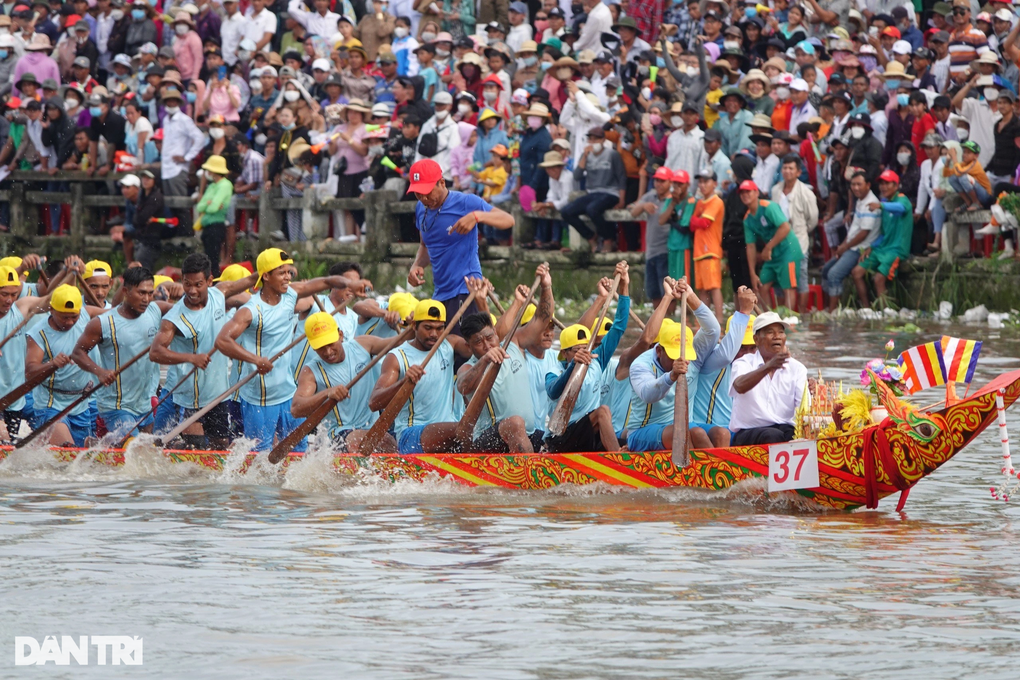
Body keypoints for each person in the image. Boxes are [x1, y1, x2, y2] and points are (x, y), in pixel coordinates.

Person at [215, 248, 368, 452]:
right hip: (260, 396)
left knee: (299, 451)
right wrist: (255, 360)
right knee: (260, 456)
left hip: (288, 392)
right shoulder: (252, 310)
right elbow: (223, 340)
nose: (287, 277)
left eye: (289, 272)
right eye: (281, 273)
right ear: (266, 276)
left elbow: (326, 282)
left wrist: (351, 284)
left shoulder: (290, 295)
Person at [149, 253, 257, 449]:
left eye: (198, 284)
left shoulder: (221, 292)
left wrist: (275, 269)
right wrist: (191, 358)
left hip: (218, 395)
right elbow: (155, 352)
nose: (191, 290)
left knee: (220, 448)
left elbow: (251, 279)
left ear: (209, 281)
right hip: (190, 398)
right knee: (196, 450)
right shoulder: (174, 318)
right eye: (187, 284)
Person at [405, 158, 514, 331]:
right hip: (440, 292)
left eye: (427, 192)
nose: (424, 198)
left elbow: (508, 220)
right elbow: (425, 245)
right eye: (418, 193)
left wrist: (477, 216)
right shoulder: (421, 208)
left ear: (441, 183)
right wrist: (417, 265)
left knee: (464, 348)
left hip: (467, 289)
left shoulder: (465, 202)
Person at [456, 263, 554, 452]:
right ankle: (531, 477)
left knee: (559, 435)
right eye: (478, 342)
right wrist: (485, 360)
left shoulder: (514, 342)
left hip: (529, 433)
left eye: (489, 338)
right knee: (516, 423)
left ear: (495, 332)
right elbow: (463, 386)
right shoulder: (468, 368)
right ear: (468, 346)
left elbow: (543, 318)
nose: (487, 346)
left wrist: (546, 286)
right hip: (490, 439)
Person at [70, 266, 173, 439]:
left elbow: (189, 310)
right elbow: (78, 353)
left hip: (144, 404)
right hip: (115, 406)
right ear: (126, 291)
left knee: (149, 454)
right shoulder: (103, 323)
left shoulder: (155, 311)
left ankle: (96, 449)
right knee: (134, 450)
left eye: (149, 293)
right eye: (141, 293)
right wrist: (100, 372)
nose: (146, 299)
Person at [369, 295, 478, 454]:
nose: (434, 334)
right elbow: (374, 402)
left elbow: (484, 345)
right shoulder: (397, 357)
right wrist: (404, 381)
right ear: (414, 326)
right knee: (464, 429)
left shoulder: (450, 344)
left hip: (448, 429)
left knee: (477, 431)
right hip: (411, 434)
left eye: (439, 328)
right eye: (428, 328)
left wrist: (481, 301)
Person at [623, 278, 721, 453]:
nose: (680, 360)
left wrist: (690, 296)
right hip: (642, 431)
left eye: (683, 355)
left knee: (721, 433)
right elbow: (648, 394)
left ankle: (723, 471)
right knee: (687, 432)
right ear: (659, 350)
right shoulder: (640, 365)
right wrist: (671, 376)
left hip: (684, 426)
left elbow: (713, 330)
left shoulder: (692, 356)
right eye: (674, 356)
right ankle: (703, 475)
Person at [544, 262, 630, 453]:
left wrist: (624, 286)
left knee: (626, 436)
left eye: (586, 348)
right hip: (561, 437)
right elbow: (553, 391)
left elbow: (619, 327)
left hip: (587, 431)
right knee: (603, 412)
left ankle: (618, 455)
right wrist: (574, 366)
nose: (583, 353)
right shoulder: (554, 371)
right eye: (577, 351)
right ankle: (618, 460)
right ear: (565, 353)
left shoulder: (596, 361)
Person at [291, 310, 400, 453]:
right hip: (338, 435)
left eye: (330, 344)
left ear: (340, 335)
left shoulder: (363, 345)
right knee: (381, 441)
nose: (328, 352)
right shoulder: (310, 372)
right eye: (321, 348)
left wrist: (413, 326)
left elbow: (400, 343)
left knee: (390, 441)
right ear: (312, 346)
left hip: (373, 429)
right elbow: (296, 409)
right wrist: (327, 393)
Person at [24, 285, 102, 446]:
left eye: (74, 317)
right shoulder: (38, 334)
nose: (70, 322)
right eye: (64, 317)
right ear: (51, 310)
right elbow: (30, 372)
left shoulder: (88, 314)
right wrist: (52, 364)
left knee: (82, 461)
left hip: (81, 404)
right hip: (51, 405)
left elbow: (120, 315)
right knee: (68, 452)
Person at [690, 287, 758, 447]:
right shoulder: (714, 361)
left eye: (752, 348)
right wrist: (744, 312)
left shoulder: (759, 366)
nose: (747, 354)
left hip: (737, 431)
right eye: (742, 347)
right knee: (723, 434)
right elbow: (728, 352)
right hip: (710, 433)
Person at [729, 312, 806, 446]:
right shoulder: (743, 363)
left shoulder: (797, 368)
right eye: (770, 332)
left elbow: (804, 410)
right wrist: (769, 367)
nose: (777, 337)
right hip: (748, 432)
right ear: (756, 339)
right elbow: (739, 386)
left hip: (784, 428)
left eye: (781, 332)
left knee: (797, 435)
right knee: (772, 435)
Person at [0, 265, 58, 440]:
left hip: (14, 399)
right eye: (4, 294)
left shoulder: (21, 309)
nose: (9, 300)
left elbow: (52, 301)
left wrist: (67, 273)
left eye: (14, 294)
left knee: (8, 453)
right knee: (4, 439)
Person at [559, 126, 626, 253]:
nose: (593, 142)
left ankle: (608, 239)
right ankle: (590, 237)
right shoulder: (586, 155)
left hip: (610, 192)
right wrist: (584, 156)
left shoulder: (612, 154)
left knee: (592, 209)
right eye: (591, 139)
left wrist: (621, 199)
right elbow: (577, 176)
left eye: (596, 139)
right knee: (566, 211)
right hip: (592, 192)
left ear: (603, 140)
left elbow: (621, 177)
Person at [852, 169, 913, 308]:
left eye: (887, 184)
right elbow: (884, 234)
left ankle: (886, 313)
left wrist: (881, 205)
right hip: (882, 248)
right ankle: (866, 309)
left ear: (896, 186)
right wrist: (871, 247)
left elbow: (901, 208)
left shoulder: (901, 199)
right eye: (881, 184)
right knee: (856, 272)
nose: (883, 187)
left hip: (896, 250)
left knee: (879, 279)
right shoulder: (884, 203)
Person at [821, 171, 881, 311]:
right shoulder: (860, 200)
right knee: (825, 271)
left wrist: (845, 246)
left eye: (859, 184)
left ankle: (833, 311)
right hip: (851, 246)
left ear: (868, 185)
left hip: (860, 248)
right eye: (853, 184)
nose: (855, 188)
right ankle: (826, 307)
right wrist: (843, 245)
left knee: (834, 274)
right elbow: (854, 229)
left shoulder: (870, 203)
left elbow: (864, 233)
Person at [739, 179, 802, 310]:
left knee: (788, 287)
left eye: (748, 192)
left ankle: (789, 319)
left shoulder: (768, 207)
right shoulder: (747, 219)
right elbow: (750, 246)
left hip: (787, 250)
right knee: (762, 284)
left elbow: (785, 227)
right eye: (742, 193)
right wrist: (752, 273)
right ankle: (768, 319)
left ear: (756, 193)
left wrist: (768, 247)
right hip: (772, 254)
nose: (745, 195)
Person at [770, 155, 817, 312]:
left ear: (798, 172)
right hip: (779, 243)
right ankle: (782, 314)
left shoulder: (806, 193)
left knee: (801, 279)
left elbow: (812, 220)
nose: (787, 171)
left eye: (791, 168)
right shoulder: (776, 190)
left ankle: (801, 314)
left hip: (799, 241)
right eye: (785, 168)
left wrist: (799, 231)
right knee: (780, 280)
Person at [630, 166, 673, 307]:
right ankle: (658, 322)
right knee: (654, 291)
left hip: (666, 251)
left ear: (670, 182)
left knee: (668, 292)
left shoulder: (673, 200)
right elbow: (633, 212)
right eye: (657, 181)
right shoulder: (650, 196)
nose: (659, 184)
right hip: (651, 252)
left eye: (662, 181)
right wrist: (643, 205)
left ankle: (670, 323)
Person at [690, 170, 725, 322]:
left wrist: (695, 220)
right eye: (701, 182)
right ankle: (703, 322)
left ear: (715, 183)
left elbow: (704, 222)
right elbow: (692, 225)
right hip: (699, 251)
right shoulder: (699, 202)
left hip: (710, 250)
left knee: (714, 287)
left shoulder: (716, 201)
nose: (702, 185)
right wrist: (696, 221)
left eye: (706, 181)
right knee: (702, 289)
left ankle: (720, 319)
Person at [195, 155, 234, 269]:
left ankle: (215, 282)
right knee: (207, 258)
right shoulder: (212, 185)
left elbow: (213, 208)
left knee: (213, 259)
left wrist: (208, 204)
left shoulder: (225, 185)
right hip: (207, 226)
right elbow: (200, 206)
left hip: (216, 226)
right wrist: (209, 203)